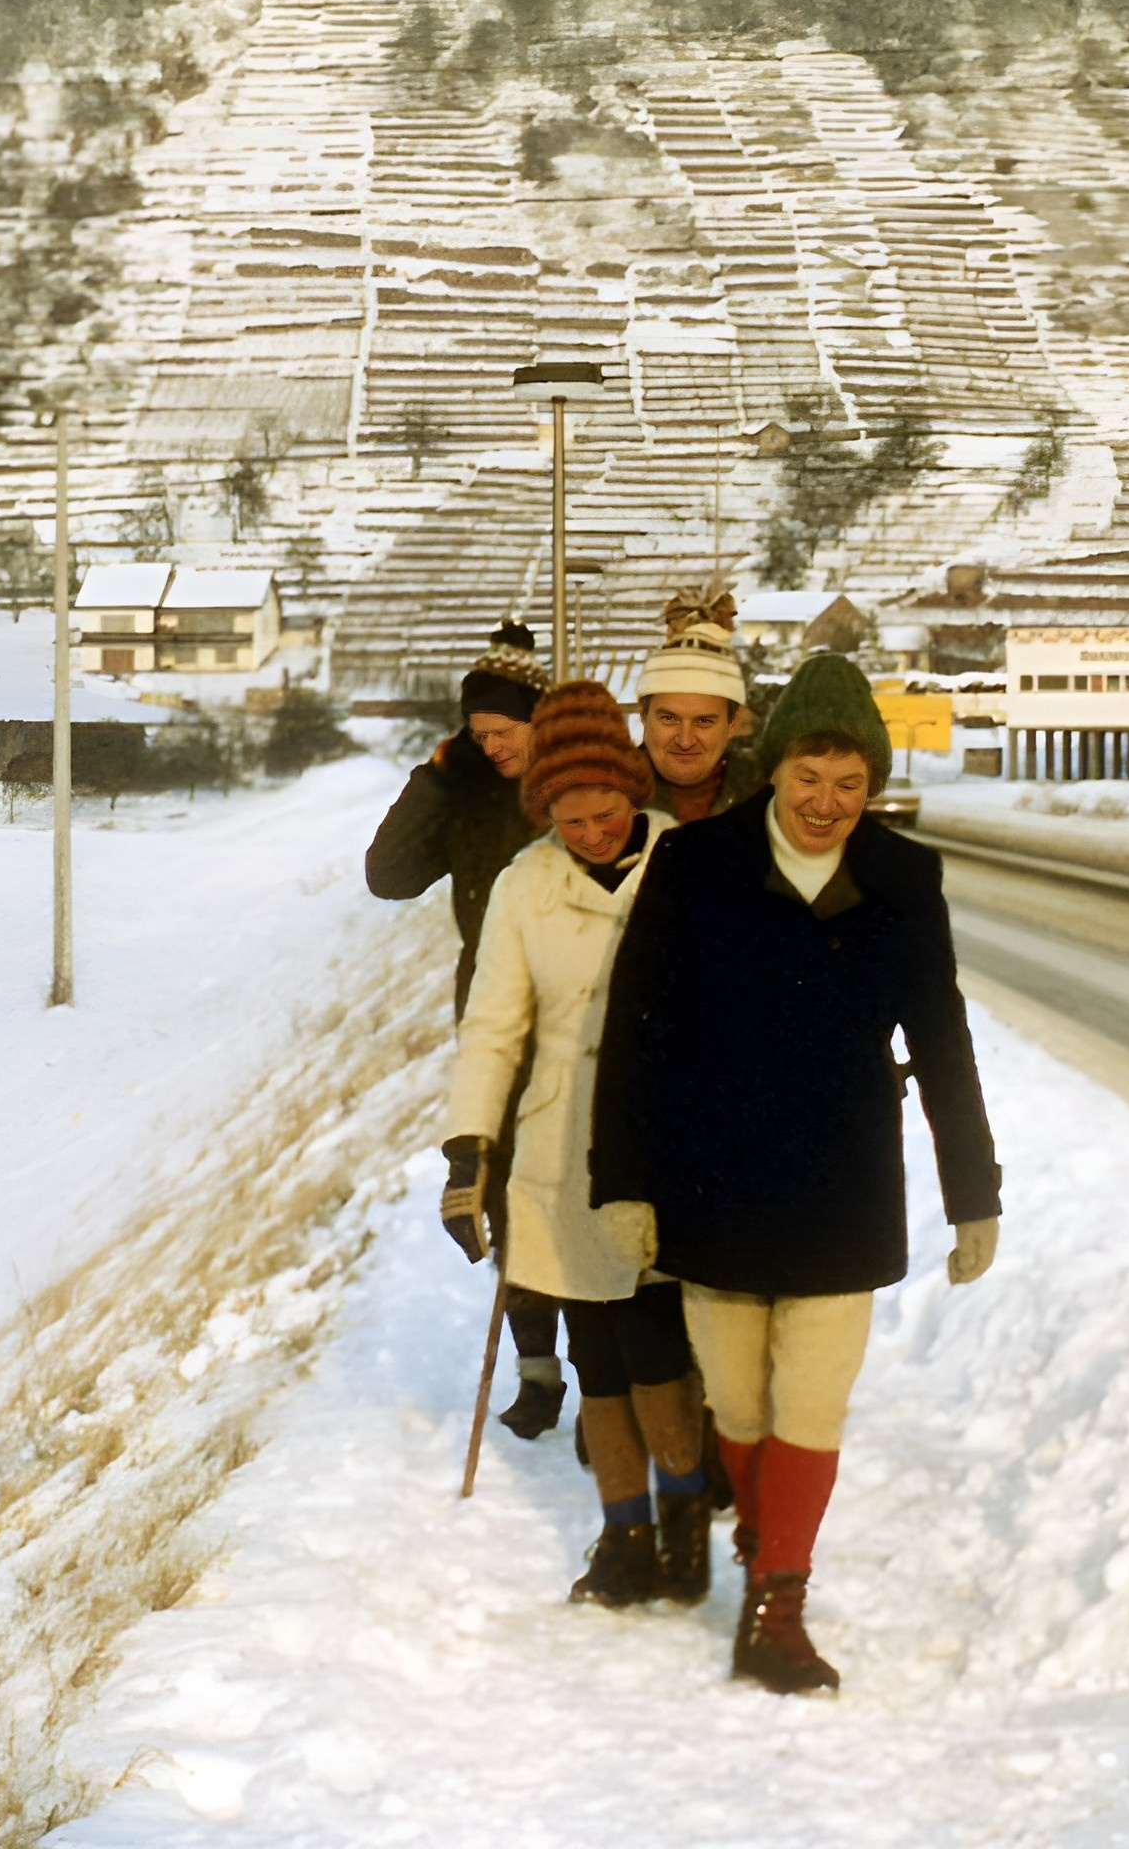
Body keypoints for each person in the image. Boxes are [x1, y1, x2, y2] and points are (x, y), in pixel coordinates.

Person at [588, 653, 1003, 1695]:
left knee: (810, 1407)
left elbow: (943, 1039)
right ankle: (759, 1553)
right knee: (739, 1407)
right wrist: (621, 1183)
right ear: (772, 770)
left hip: (841, 1182)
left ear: (874, 787)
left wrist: (974, 1193)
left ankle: (778, 1607)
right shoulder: (695, 864)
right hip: (712, 1181)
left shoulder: (905, 879)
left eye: (850, 782)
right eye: (810, 776)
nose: (827, 803)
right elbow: (631, 1032)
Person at [439, 682, 717, 1605]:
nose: (593, 834)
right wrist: (468, 1152)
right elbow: (492, 1029)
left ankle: (684, 1531)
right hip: (561, 1148)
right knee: (596, 1349)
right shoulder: (524, 885)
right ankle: (623, 1536)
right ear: (543, 811)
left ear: (632, 794)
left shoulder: (690, 862)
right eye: (571, 820)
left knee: (658, 1341)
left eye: (606, 814)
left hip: (667, 1139)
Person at [367, 620, 572, 1436]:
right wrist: (438, 774)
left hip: (581, 1016)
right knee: (510, 1188)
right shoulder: (464, 792)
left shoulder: (576, 790)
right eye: (476, 733)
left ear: (539, 721)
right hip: (492, 1020)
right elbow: (387, 876)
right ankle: (538, 1371)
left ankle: (608, 1380)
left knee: (584, 1195)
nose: (491, 747)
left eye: (501, 731)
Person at [635, 588, 754, 825]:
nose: (685, 740)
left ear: (733, 723)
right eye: (669, 719)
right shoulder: (606, 791)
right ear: (643, 716)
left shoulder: (761, 795)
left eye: (704, 721)